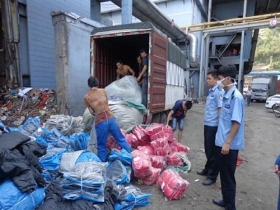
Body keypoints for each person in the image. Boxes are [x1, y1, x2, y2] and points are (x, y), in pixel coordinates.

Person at [213, 64, 244, 210]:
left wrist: (227, 143)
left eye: (219, 79)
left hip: (229, 146)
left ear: (228, 79)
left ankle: (230, 206)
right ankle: (226, 201)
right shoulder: (227, 95)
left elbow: (236, 123)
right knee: (224, 176)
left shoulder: (236, 97)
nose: (218, 82)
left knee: (228, 177)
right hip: (223, 143)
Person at [84, 76, 132, 162]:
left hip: (101, 122)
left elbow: (92, 112)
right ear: (97, 83)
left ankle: (102, 164)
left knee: (101, 145)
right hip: (111, 119)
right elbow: (106, 103)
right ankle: (131, 156)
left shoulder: (87, 97)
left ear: (89, 85)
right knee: (120, 139)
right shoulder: (103, 91)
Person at [197, 70, 224, 186]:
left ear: (216, 80)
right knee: (208, 149)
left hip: (214, 126)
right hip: (207, 124)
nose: (207, 81)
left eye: (209, 79)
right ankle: (207, 169)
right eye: (207, 79)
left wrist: (220, 128)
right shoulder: (211, 91)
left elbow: (220, 110)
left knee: (213, 152)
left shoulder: (218, 92)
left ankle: (212, 176)